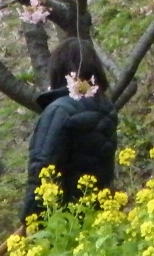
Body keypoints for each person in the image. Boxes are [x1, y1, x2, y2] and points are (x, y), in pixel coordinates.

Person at [20, 38, 118, 222]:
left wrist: (29, 217)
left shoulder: (59, 111)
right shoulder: (106, 108)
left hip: (64, 217)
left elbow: (42, 167)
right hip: (98, 211)